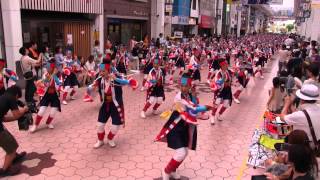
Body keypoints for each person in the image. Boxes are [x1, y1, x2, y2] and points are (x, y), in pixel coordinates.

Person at [154, 73, 211, 180]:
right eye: (182, 85)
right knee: (181, 152)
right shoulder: (179, 97)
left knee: (185, 152)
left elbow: (194, 106)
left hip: (184, 127)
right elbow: (192, 108)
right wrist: (205, 108)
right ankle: (166, 171)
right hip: (175, 127)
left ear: (190, 86)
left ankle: (173, 170)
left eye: (186, 86)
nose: (183, 88)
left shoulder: (189, 95)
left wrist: (195, 99)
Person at [84, 61, 138, 148]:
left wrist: (115, 79)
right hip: (105, 105)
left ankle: (110, 138)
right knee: (100, 125)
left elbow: (127, 82)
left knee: (115, 126)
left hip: (115, 105)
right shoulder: (99, 80)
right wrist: (90, 89)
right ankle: (100, 141)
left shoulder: (116, 78)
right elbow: (91, 88)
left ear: (108, 70)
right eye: (100, 71)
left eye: (103, 71)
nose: (101, 73)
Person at [0, 86, 28, 177]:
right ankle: (4, 170)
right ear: (16, 94)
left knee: (9, 140)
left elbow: (4, 119)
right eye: (17, 98)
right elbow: (17, 114)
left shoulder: (3, 97)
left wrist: (17, 116)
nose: (16, 100)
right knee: (11, 148)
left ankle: (14, 157)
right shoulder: (11, 97)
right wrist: (24, 110)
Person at [30, 59, 62, 133]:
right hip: (46, 95)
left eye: (53, 67)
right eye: (50, 68)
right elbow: (46, 83)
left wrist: (59, 83)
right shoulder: (46, 75)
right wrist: (52, 75)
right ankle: (35, 125)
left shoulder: (57, 75)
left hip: (54, 95)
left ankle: (48, 122)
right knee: (41, 111)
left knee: (53, 112)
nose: (52, 69)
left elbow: (60, 83)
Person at [210, 60, 233, 125]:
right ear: (222, 66)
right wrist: (224, 82)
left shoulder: (227, 72)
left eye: (227, 64)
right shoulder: (218, 73)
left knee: (226, 104)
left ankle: (219, 114)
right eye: (225, 65)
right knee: (217, 103)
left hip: (227, 90)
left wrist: (229, 83)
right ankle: (212, 116)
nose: (227, 66)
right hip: (219, 90)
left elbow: (230, 80)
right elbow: (218, 82)